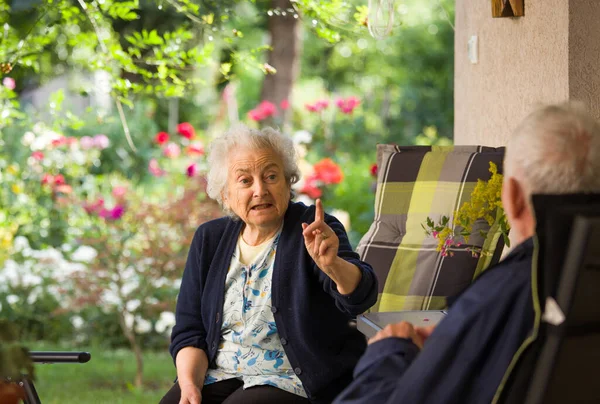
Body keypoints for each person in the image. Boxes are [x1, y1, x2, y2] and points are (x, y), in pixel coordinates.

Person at [333, 102, 600, 404]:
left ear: (511, 196)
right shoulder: (575, 278)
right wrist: (453, 338)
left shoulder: (503, 293)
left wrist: (390, 349)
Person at [160, 124, 378, 404]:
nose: (260, 190)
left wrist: (332, 264)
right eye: (245, 181)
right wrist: (189, 386)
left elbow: (361, 298)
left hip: (294, 379)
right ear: (226, 194)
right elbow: (190, 331)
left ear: (289, 183)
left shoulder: (312, 227)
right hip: (219, 374)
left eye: (271, 176)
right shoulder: (209, 239)